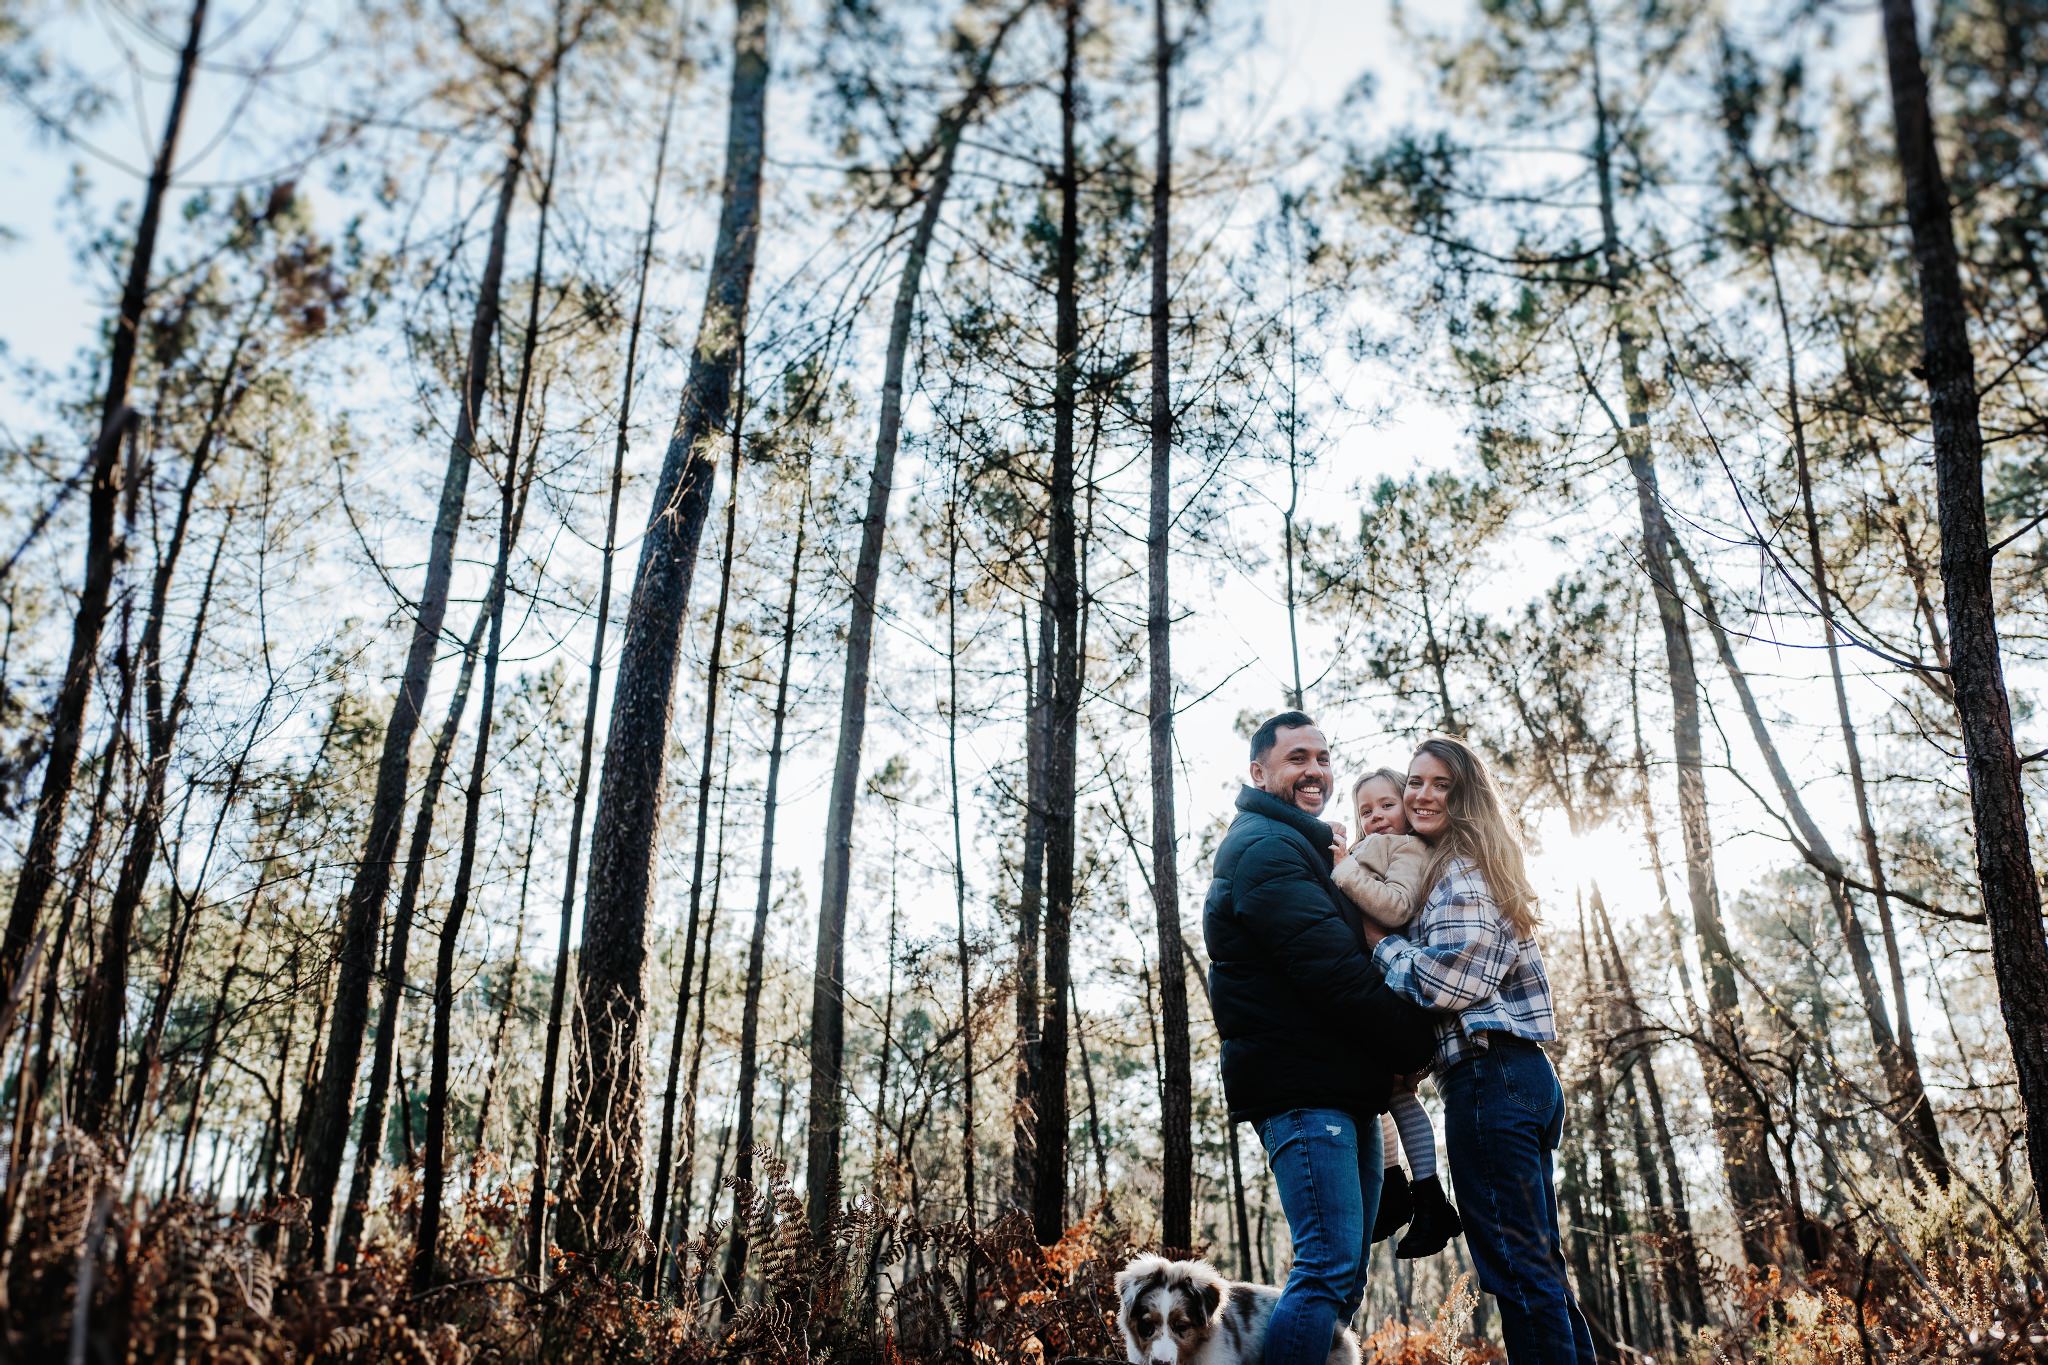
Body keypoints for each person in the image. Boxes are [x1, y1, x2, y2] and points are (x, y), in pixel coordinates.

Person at [1202, 712, 1436, 1365]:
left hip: (1341, 1089)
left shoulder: (1302, 846)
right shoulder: (1264, 848)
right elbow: (1333, 972)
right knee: (1327, 1268)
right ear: (1259, 772)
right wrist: (1414, 1045)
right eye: (1296, 757)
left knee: (1345, 1278)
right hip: (1303, 1091)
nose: (1315, 770)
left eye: (1323, 757)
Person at [1360, 735, 1594, 1364]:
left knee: (1519, 1275)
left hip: (1491, 1079)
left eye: (1440, 784)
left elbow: (1451, 981)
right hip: (1511, 1078)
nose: (1422, 794)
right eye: (1415, 782)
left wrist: (1379, 941)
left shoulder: (1460, 870)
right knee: (1538, 1268)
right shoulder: (1445, 867)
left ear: (1466, 796)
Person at [1330, 768, 1463, 1259]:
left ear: (1406, 809)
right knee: (1389, 1094)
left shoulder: (1406, 849)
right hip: (1375, 987)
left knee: (1388, 1091)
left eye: (1387, 805)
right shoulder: (1375, 848)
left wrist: (1343, 868)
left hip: (1394, 987)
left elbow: (1396, 905)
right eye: (1366, 811)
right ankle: (1412, 1194)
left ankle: (1412, 1193)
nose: (1377, 817)